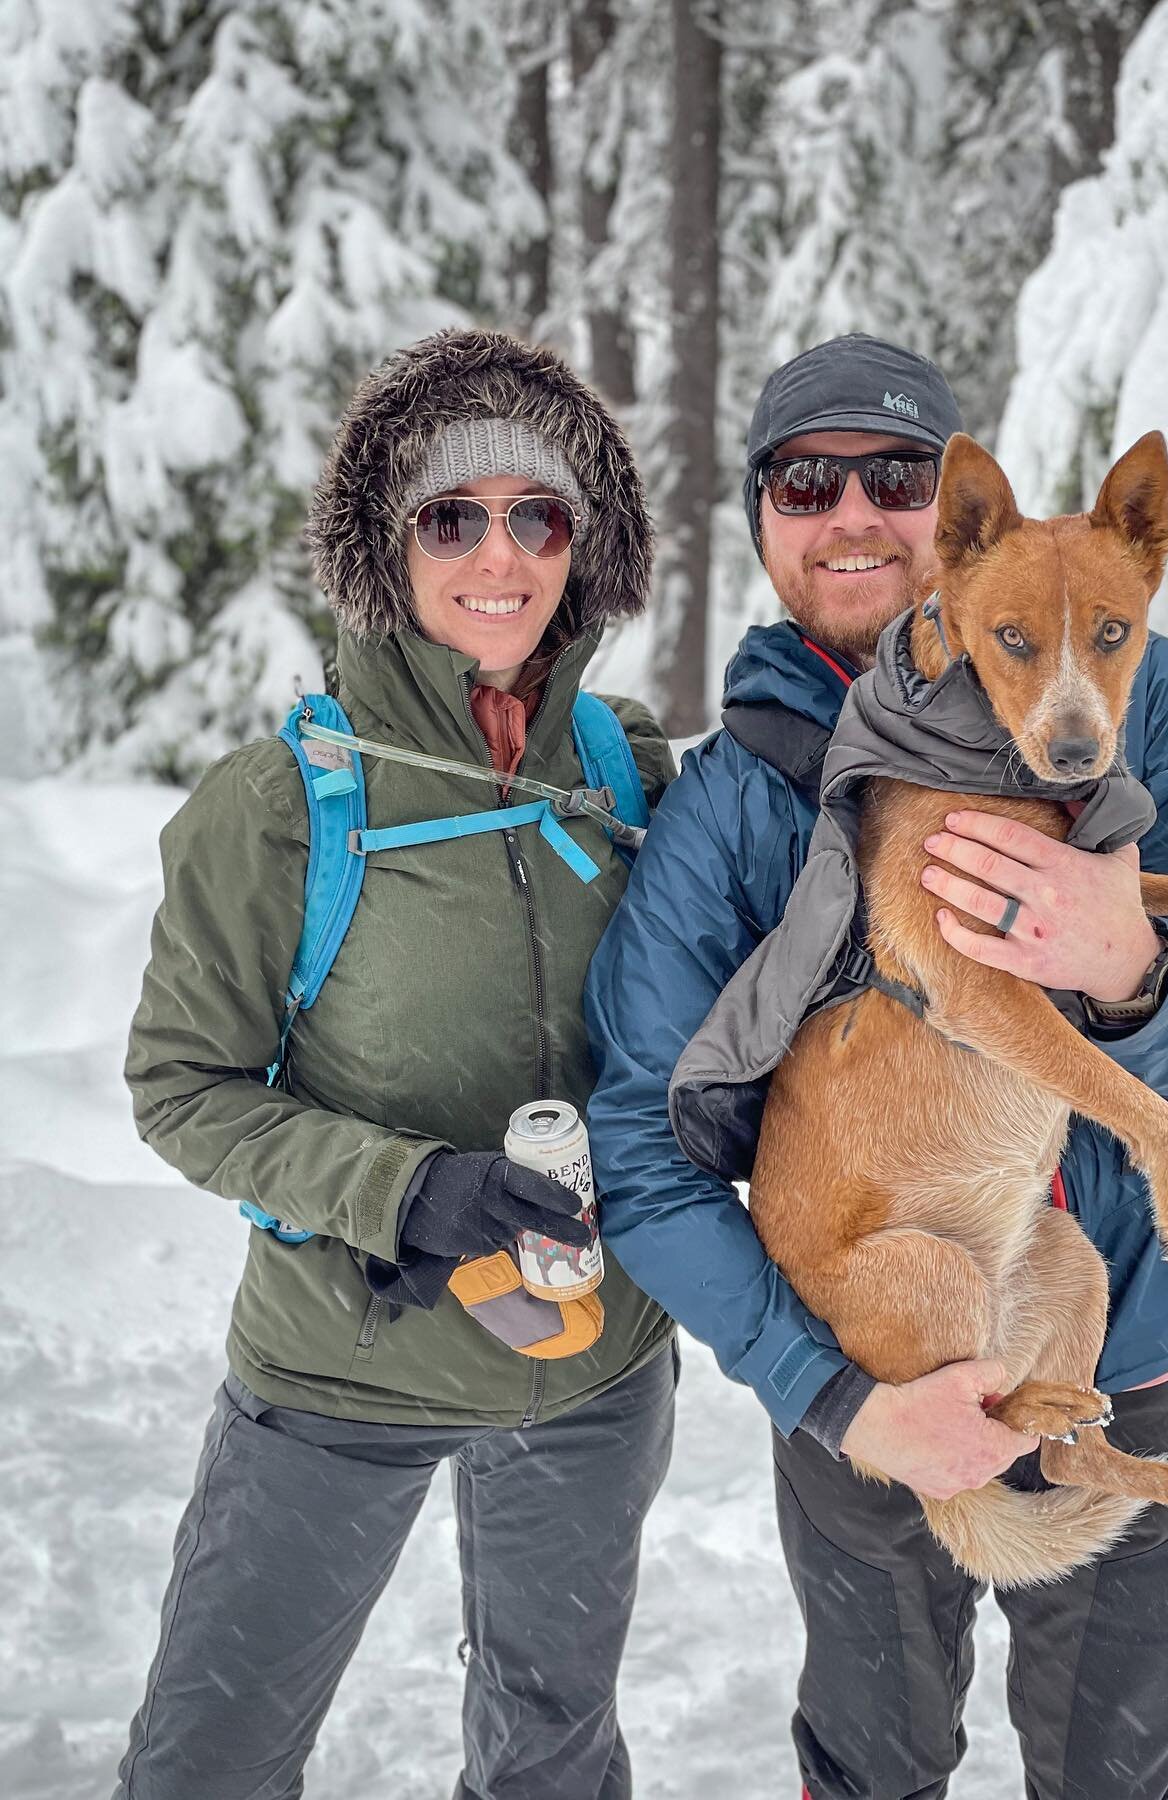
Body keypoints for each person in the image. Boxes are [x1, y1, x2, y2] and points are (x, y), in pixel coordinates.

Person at [584, 332, 1168, 1799]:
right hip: (868, 1360)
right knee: (875, 1766)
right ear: (765, 516)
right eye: (804, 481)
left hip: (1120, 1335)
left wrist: (1130, 971)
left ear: (957, 517)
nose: (851, 512)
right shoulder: (733, 797)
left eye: (894, 475)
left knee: (1122, 1769)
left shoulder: (1142, 699)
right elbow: (644, 1153)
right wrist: (831, 1395)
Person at [117, 329, 678, 1800]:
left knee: (552, 1755)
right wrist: (404, 1189)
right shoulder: (279, 808)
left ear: (586, 542)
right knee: (210, 1764)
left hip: (591, 1369)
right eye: (452, 515)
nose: (498, 554)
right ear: (387, 541)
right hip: (338, 1368)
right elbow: (184, 1087)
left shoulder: (624, 770)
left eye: (537, 515)